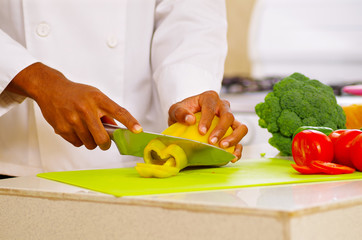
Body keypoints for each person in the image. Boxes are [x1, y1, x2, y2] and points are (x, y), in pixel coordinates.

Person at [0, 0, 248, 177]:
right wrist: (37, 80)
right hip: (19, 159)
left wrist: (189, 94)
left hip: (132, 168)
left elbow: (192, 13)